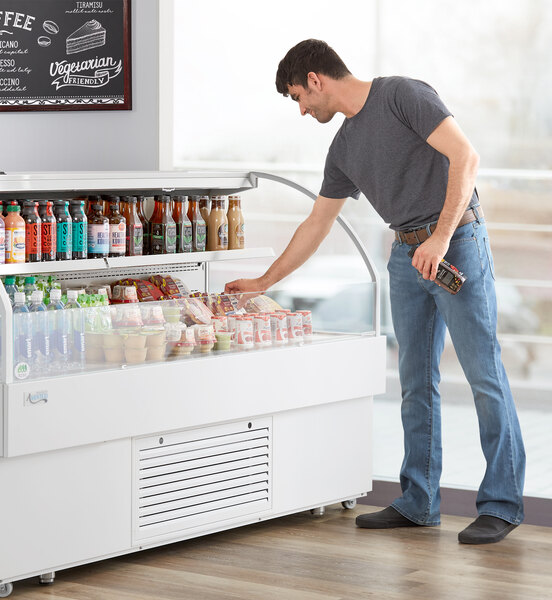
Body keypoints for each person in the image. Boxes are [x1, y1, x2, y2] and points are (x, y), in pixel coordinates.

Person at [225, 39, 525, 545]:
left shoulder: (402, 95)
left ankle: (502, 504)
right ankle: (418, 500)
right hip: (408, 257)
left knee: (484, 374)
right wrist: (262, 282)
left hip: (455, 243)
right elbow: (316, 224)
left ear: (316, 79)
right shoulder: (342, 149)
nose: (301, 109)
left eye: (299, 96)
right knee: (414, 380)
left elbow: (465, 158)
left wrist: (441, 238)